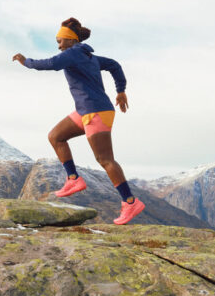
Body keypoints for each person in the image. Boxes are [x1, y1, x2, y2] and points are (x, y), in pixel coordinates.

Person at [12, 17, 145, 225]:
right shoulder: (87, 56)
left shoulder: (73, 54)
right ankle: (73, 179)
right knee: (56, 136)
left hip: (95, 111)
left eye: (60, 41)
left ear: (71, 40)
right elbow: (114, 65)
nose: (59, 45)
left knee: (105, 160)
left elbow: (51, 64)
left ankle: (130, 202)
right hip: (86, 110)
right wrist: (120, 90)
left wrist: (25, 61)